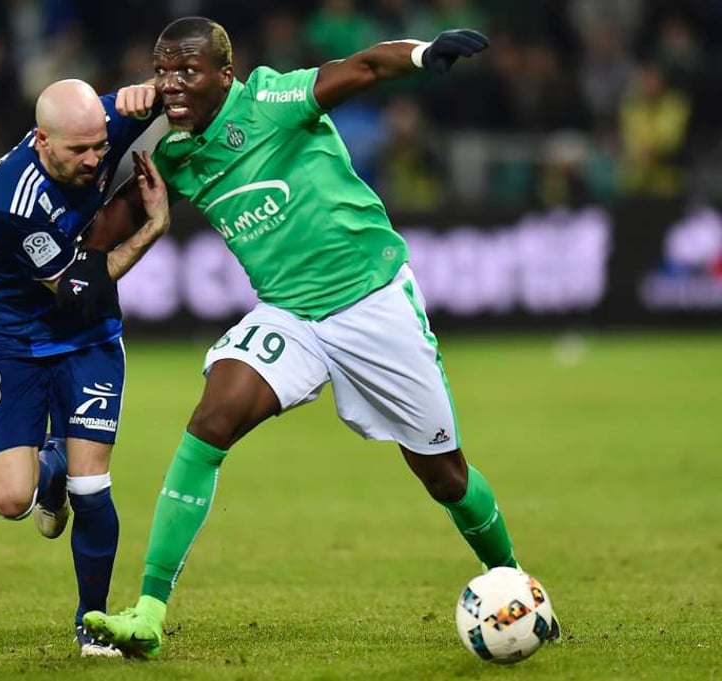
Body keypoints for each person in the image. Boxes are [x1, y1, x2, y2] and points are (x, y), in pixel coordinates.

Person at [82, 17, 559, 658]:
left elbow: (363, 67)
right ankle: (148, 612)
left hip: (372, 304)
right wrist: (91, 147)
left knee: (445, 476)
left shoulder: (273, 102)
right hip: (290, 316)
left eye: (187, 71)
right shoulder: (168, 150)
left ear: (226, 74)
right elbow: (102, 231)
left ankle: (514, 579)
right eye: (162, 70)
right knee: (211, 421)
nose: (172, 84)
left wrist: (422, 53)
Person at [0, 78, 169, 657]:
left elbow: (185, 86)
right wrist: (152, 227)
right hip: (12, 337)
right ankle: (46, 466)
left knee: (92, 486)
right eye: (78, 151)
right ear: (41, 141)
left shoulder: (100, 124)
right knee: (12, 502)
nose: (94, 160)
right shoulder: (13, 203)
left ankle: (92, 619)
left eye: (100, 147)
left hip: (87, 340)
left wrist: (152, 87)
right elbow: (78, 290)